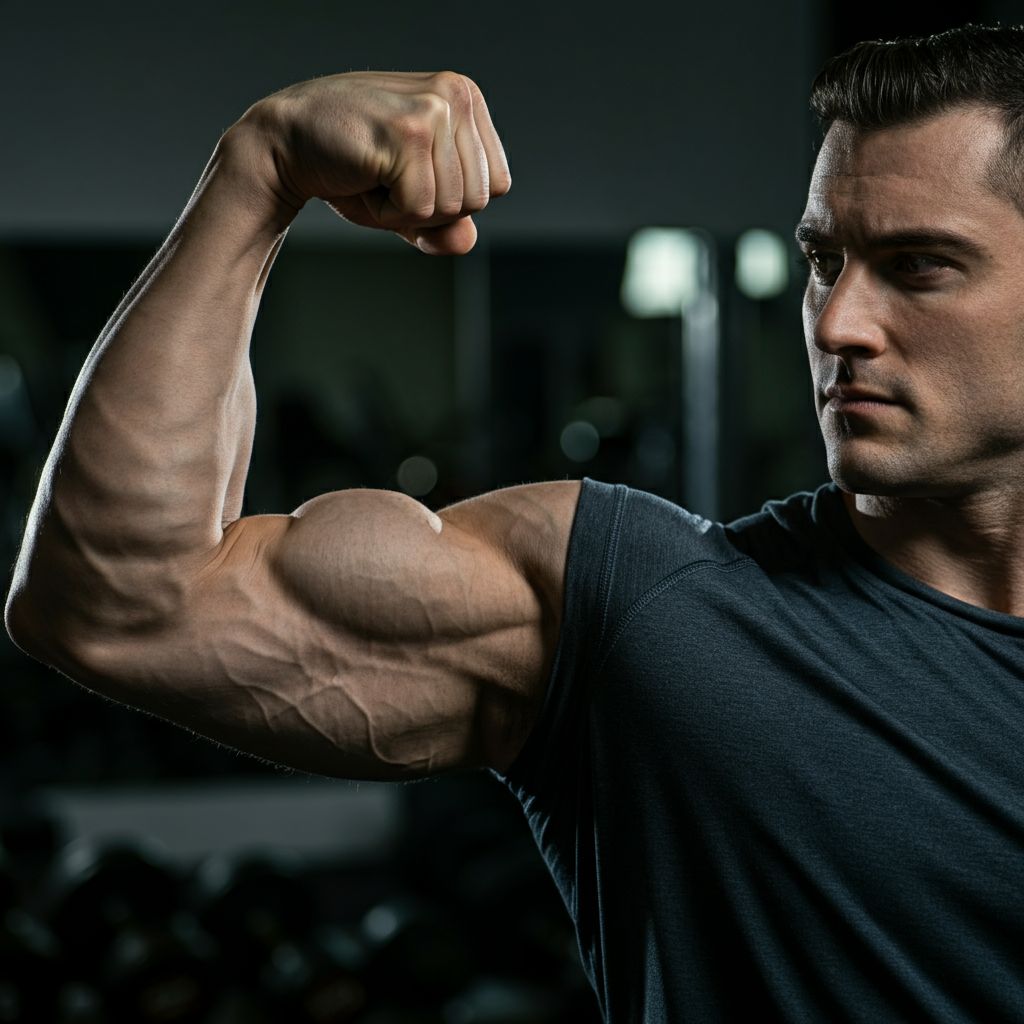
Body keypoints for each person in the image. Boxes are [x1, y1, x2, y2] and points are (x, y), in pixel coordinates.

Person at [7, 21, 1024, 1021]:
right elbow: (121, 605)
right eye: (822, 262)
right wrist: (255, 174)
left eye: (917, 265)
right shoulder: (656, 618)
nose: (838, 323)